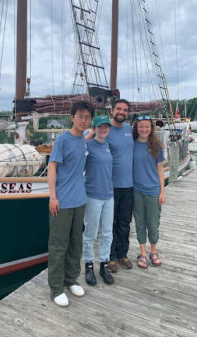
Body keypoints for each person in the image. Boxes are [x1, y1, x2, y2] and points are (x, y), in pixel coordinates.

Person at [48, 101, 94, 307]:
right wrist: (52, 196)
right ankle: (56, 288)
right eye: (80, 116)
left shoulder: (83, 139)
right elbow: (52, 166)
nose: (83, 120)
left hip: (80, 199)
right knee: (59, 245)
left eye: (87, 117)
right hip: (63, 201)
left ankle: (71, 279)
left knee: (76, 243)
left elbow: (89, 134)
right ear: (72, 117)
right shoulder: (63, 140)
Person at [83, 115, 114, 286]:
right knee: (90, 233)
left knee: (107, 233)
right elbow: (77, 149)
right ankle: (88, 265)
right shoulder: (88, 145)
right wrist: (89, 134)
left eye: (106, 127)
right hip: (93, 195)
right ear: (94, 128)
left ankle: (104, 263)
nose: (103, 130)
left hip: (109, 196)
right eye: (99, 127)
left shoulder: (108, 145)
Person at [132, 115, 165, 268]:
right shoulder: (132, 144)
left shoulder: (156, 146)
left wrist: (162, 192)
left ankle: (153, 251)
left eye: (147, 126)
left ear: (151, 128)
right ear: (136, 128)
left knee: (153, 223)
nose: (143, 129)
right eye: (141, 126)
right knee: (140, 222)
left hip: (153, 190)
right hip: (136, 190)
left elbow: (160, 169)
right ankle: (143, 252)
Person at [106, 99, 134, 273]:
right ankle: (110, 257)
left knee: (125, 222)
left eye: (125, 109)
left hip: (129, 185)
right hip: (110, 186)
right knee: (110, 223)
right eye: (119, 109)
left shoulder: (130, 130)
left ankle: (122, 253)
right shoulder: (104, 130)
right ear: (112, 110)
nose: (121, 112)